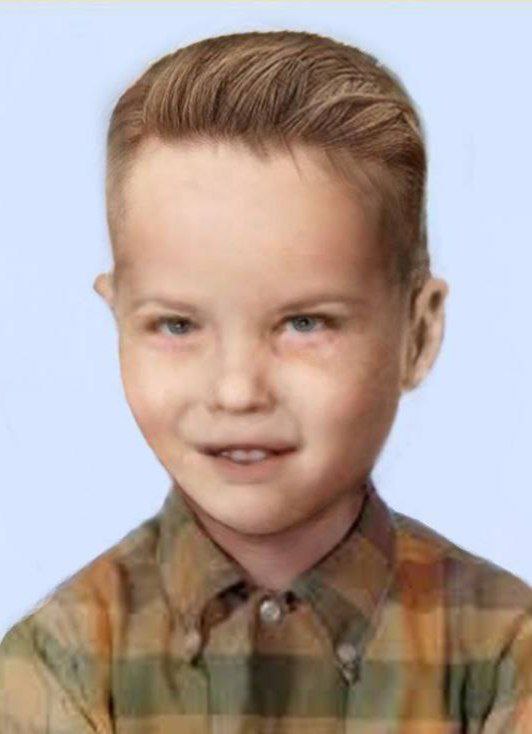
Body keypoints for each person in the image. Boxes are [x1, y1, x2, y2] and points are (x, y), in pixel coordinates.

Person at [1, 28, 531, 733]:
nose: (237, 392)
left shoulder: (506, 653)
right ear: (117, 318)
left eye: (304, 324)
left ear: (419, 332)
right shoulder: (56, 663)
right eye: (177, 325)